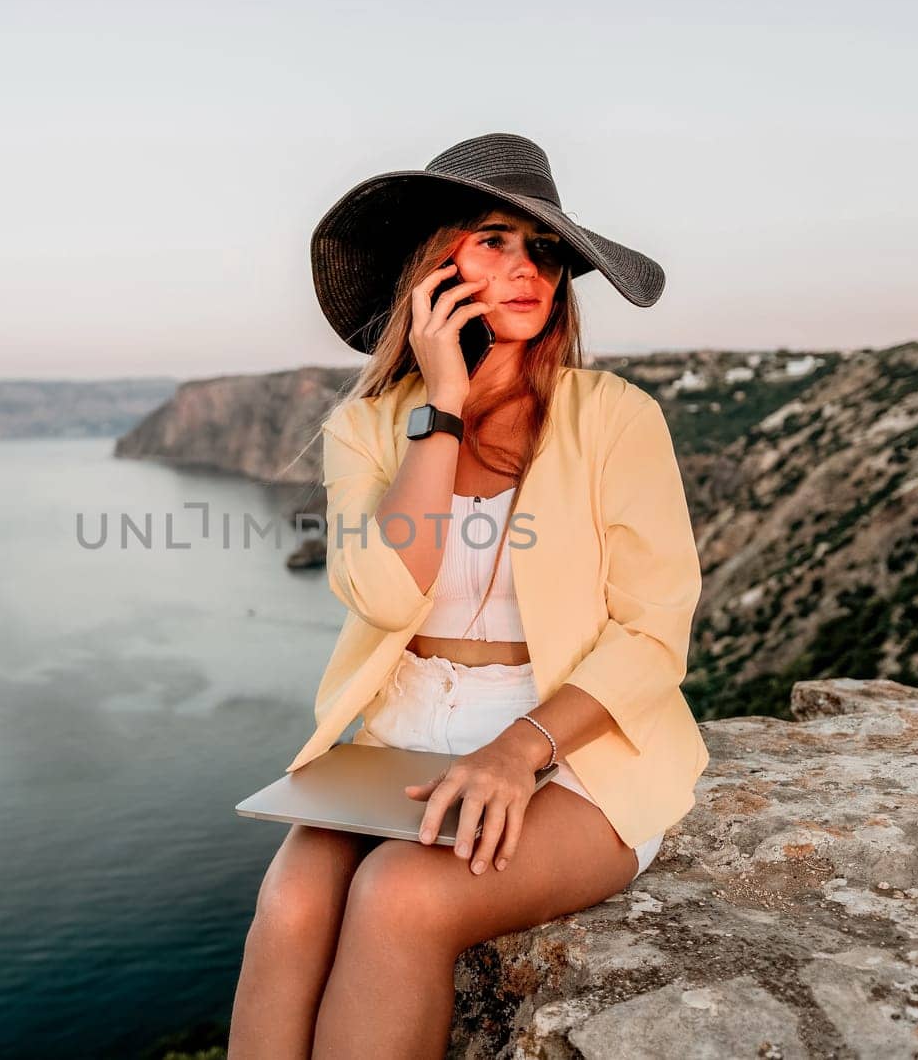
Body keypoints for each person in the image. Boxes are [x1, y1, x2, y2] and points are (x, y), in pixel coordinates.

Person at [229, 133, 709, 1059]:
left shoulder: (614, 417)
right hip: (396, 732)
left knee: (400, 896)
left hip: (569, 742)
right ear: (434, 263)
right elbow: (380, 589)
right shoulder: (370, 426)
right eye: (495, 238)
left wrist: (516, 749)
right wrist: (440, 407)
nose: (529, 270)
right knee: (290, 900)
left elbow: (654, 633)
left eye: (545, 250)